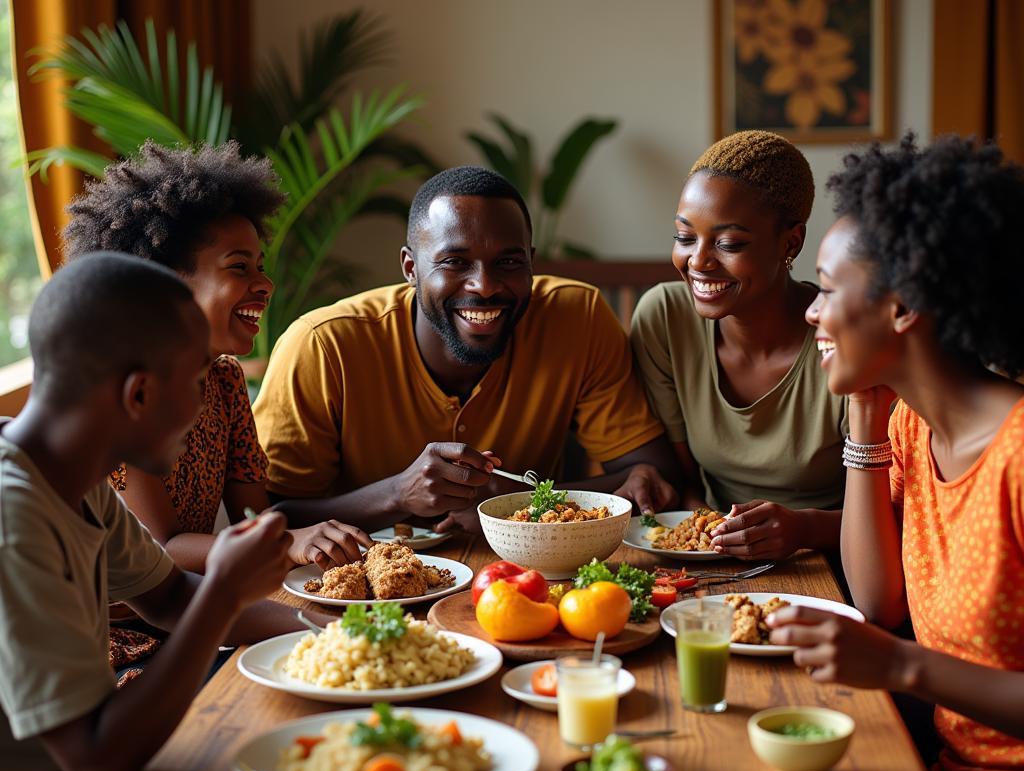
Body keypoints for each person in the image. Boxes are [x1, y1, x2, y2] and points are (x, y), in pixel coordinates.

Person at [0, 253, 330, 771]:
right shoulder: (15, 520)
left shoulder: (75, 475)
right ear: (139, 393)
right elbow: (96, 764)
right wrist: (228, 590)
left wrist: (330, 637)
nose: (205, 401)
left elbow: (172, 596)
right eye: (197, 378)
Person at [765, 135, 1024, 771]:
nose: (810, 311)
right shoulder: (912, 425)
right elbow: (878, 603)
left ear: (903, 306)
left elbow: (889, 641)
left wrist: (901, 665)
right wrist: (866, 427)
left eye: (824, 288)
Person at [253, 165, 680, 532]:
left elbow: (651, 478)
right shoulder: (323, 345)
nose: (485, 285)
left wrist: (519, 501)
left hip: (526, 579)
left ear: (531, 262)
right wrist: (398, 494)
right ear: (410, 268)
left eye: (509, 262)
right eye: (454, 262)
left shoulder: (577, 318)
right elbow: (264, 517)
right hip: (362, 591)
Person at [62, 142, 370, 573]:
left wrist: (308, 538)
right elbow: (162, 548)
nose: (266, 285)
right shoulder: (127, 393)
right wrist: (287, 543)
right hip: (118, 629)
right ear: (166, 284)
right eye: (239, 267)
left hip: (196, 602)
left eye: (260, 267)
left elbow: (253, 522)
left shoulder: (224, 380)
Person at [630, 130, 846, 559]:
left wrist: (803, 528)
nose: (698, 262)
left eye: (729, 244)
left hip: (832, 558)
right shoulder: (665, 319)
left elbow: (902, 509)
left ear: (791, 243)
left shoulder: (840, 338)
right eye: (684, 236)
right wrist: (704, 524)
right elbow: (682, 477)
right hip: (712, 552)